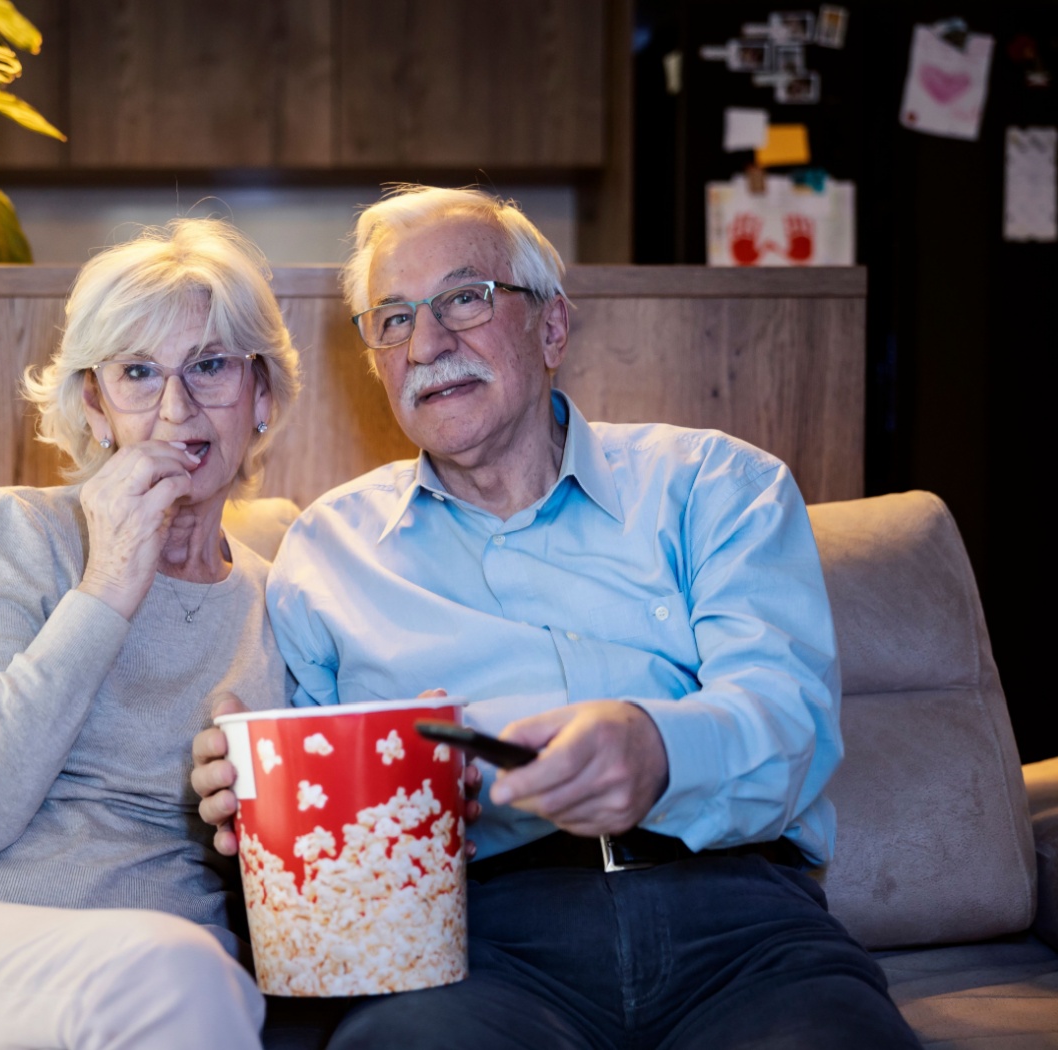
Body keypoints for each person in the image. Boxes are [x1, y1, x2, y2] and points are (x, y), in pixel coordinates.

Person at [192, 186, 922, 1049]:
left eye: (465, 299)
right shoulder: (326, 553)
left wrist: (656, 749)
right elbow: (321, 846)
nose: (428, 343)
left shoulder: (716, 485)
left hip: (738, 920)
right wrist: (254, 802)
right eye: (392, 319)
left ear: (551, 329)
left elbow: (787, 715)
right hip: (477, 945)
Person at [0, 218, 301, 1050]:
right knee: (173, 978)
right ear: (95, 406)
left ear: (262, 395)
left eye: (209, 366)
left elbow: (278, 891)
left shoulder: (280, 601)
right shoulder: (14, 531)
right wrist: (108, 583)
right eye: (138, 374)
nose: (176, 409)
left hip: (163, 981)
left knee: (186, 979)